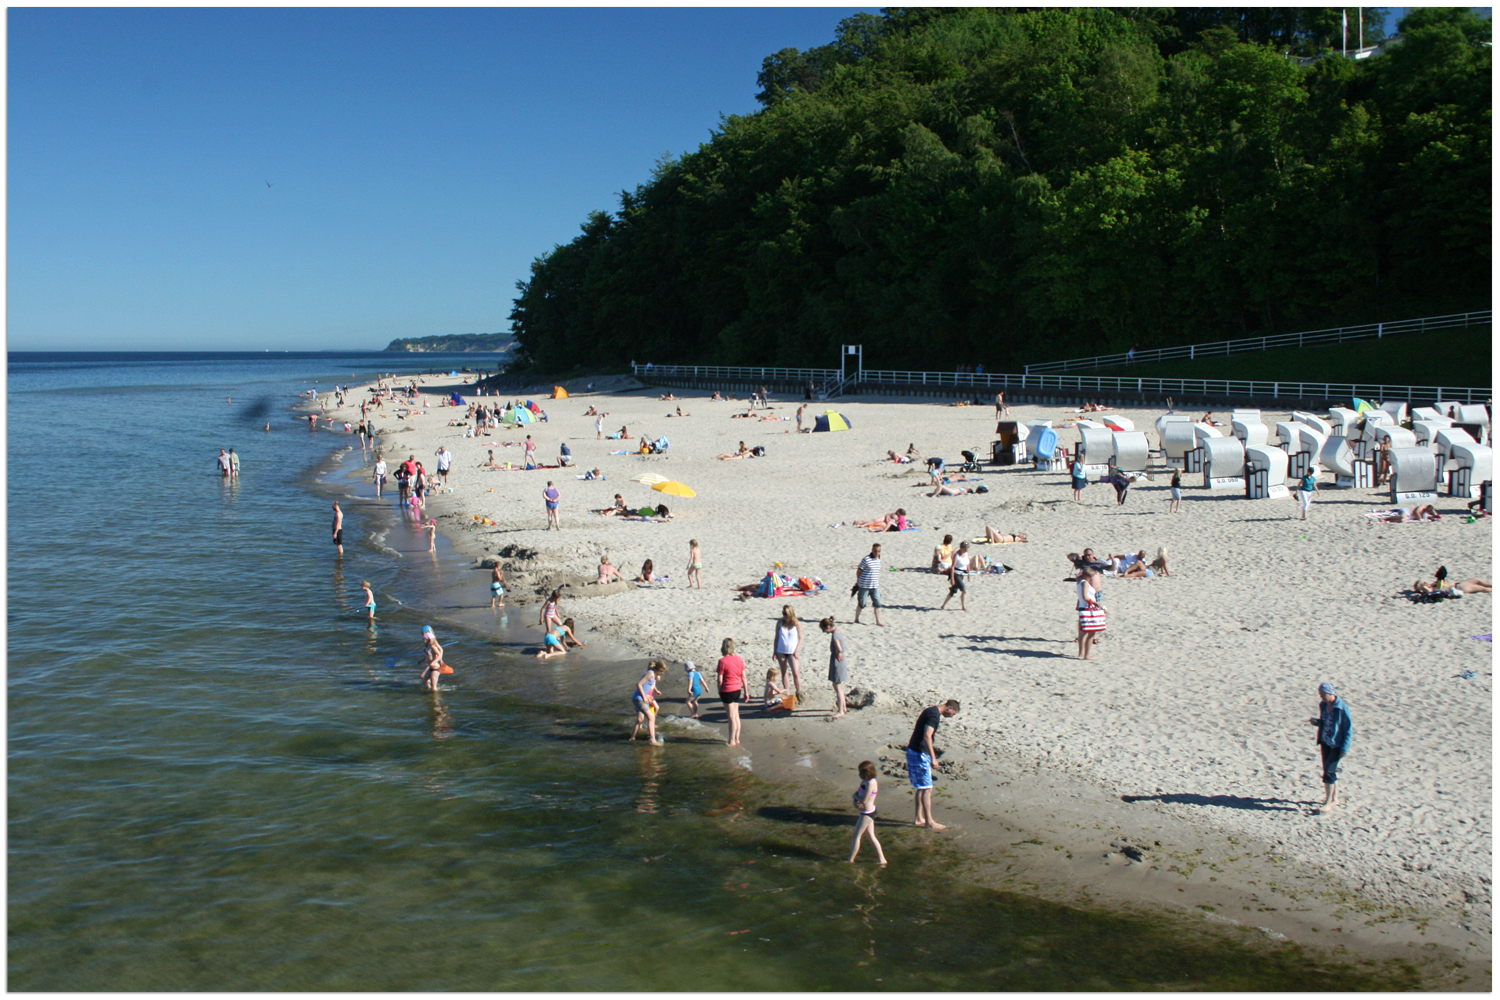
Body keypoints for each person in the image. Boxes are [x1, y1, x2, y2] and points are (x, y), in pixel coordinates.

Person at [907, 700, 960, 830]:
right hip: (919, 753)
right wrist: (933, 758)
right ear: (950, 708)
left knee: (921, 787)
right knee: (927, 788)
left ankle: (919, 818)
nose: (951, 716)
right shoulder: (934, 716)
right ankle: (929, 822)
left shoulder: (930, 711)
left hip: (913, 751)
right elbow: (927, 736)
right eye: (953, 713)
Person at [1308, 682, 1353, 812]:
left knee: (1328, 772)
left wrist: (1345, 748)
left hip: (1337, 745)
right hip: (1325, 742)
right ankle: (1334, 798)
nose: (1321, 697)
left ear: (1330, 693)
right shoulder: (1323, 705)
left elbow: (1348, 730)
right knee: (1330, 771)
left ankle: (1328, 802)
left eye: (1323, 694)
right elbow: (1326, 722)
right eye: (1320, 694)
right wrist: (1317, 723)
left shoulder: (1342, 708)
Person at [847, 760, 887, 864]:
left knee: (856, 836)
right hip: (865, 812)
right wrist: (856, 800)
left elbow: (864, 800)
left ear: (867, 772)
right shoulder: (864, 781)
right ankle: (882, 860)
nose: (860, 775)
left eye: (862, 772)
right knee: (871, 836)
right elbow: (858, 794)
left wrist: (855, 797)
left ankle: (850, 860)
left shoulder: (871, 783)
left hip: (867, 814)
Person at [717, 638, 746, 746]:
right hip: (737, 689)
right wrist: (746, 691)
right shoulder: (740, 659)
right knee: (736, 715)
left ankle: (731, 740)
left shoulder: (722, 661)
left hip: (727, 690)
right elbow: (744, 677)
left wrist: (719, 691)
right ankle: (737, 738)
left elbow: (720, 679)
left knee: (731, 717)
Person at [631, 661, 668, 745]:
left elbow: (646, 687)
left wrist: (647, 696)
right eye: (661, 671)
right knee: (652, 718)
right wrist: (644, 696)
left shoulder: (652, 674)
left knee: (640, 719)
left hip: (638, 698)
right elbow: (639, 684)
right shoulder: (650, 674)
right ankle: (653, 740)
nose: (662, 673)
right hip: (639, 699)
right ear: (657, 669)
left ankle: (633, 737)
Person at [773, 605, 803, 700]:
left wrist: (797, 650)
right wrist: (774, 652)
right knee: (784, 672)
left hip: (792, 651)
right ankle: (787, 693)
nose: (784, 615)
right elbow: (776, 637)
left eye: (786, 614)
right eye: (783, 613)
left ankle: (799, 692)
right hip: (781, 650)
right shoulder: (780, 623)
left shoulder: (796, 623)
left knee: (795, 673)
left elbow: (801, 637)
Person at [822, 617, 848, 719]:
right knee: (837, 685)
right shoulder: (838, 631)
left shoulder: (834, 636)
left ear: (828, 627)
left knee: (837, 686)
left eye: (824, 630)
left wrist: (838, 653)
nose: (824, 632)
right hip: (840, 660)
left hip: (837, 662)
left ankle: (840, 710)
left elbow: (839, 648)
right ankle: (844, 707)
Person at [1077, 568, 1106, 659]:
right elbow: (1085, 596)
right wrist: (1095, 603)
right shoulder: (1085, 583)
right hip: (1087, 608)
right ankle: (1086, 655)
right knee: (1091, 633)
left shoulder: (1080, 583)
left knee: (1082, 632)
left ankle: (1081, 653)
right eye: (1091, 577)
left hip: (1083, 607)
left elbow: (1080, 597)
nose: (1091, 579)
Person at [852, 543, 883, 626]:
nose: (877, 553)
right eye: (875, 551)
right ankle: (856, 619)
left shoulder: (878, 559)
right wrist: (858, 581)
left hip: (875, 585)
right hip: (864, 585)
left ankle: (878, 621)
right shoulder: (866, 559)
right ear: (872, 550)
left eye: (879, 551)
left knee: (878, 603)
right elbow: (859, 571)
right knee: (862, 603)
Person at [940, 541, 972, 611]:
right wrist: (952, 578)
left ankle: (943, 605)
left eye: (967, 548)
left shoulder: (966, 554)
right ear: (961, 548)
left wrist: (969, 574)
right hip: (956, 574)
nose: (966, 550)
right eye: (965, 549)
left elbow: (968, 564)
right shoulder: (956, 555)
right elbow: (952, 567)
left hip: (962, 574)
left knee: (953, 591)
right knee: (964, 590)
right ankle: (963, 607)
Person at [419, 625, 447, 691]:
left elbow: (439, 654)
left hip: (435, 669)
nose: (423, 640)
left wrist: (436, 662)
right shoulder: (428, 647)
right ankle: (428, 695)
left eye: (424, 639)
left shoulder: (433, 646)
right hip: (431, 668)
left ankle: (436, 700)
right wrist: (422, 660)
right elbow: (429, 656)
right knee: (424, 682)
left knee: (434, 688)